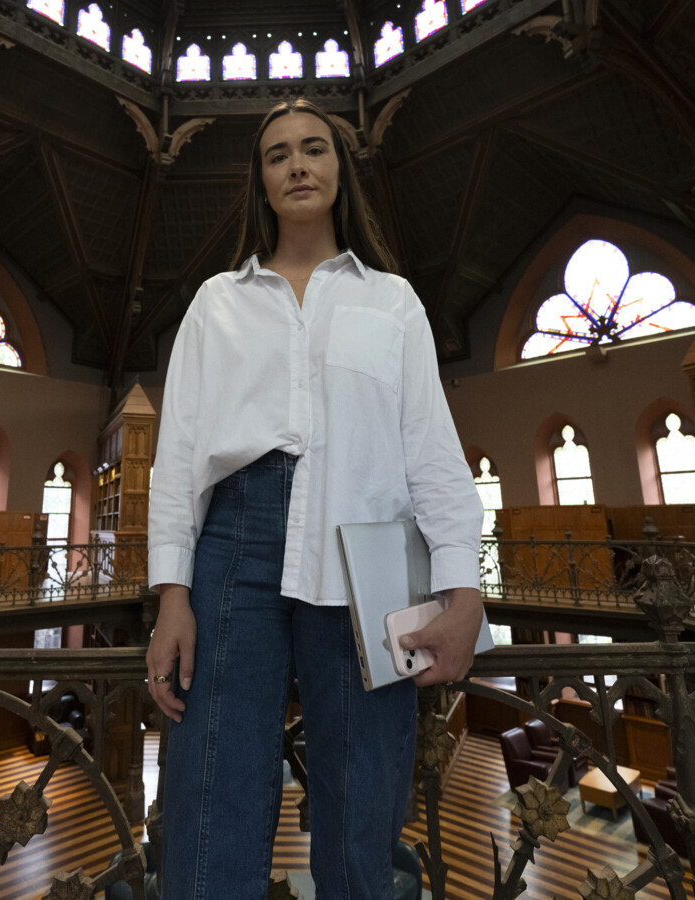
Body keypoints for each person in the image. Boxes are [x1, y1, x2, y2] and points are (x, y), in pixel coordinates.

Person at [145, 98, 485, 899]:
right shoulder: (215, 302)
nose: (297, 165)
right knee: (211, 779)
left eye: (313, 149)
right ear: (260, 183)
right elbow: (179, 457)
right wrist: (171, 593)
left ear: (339, 170)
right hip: (234, 539)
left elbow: (431, 452)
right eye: (277, 155)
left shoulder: (393, 300)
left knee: (364, 786)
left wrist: (465, 589)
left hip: (370, 547)